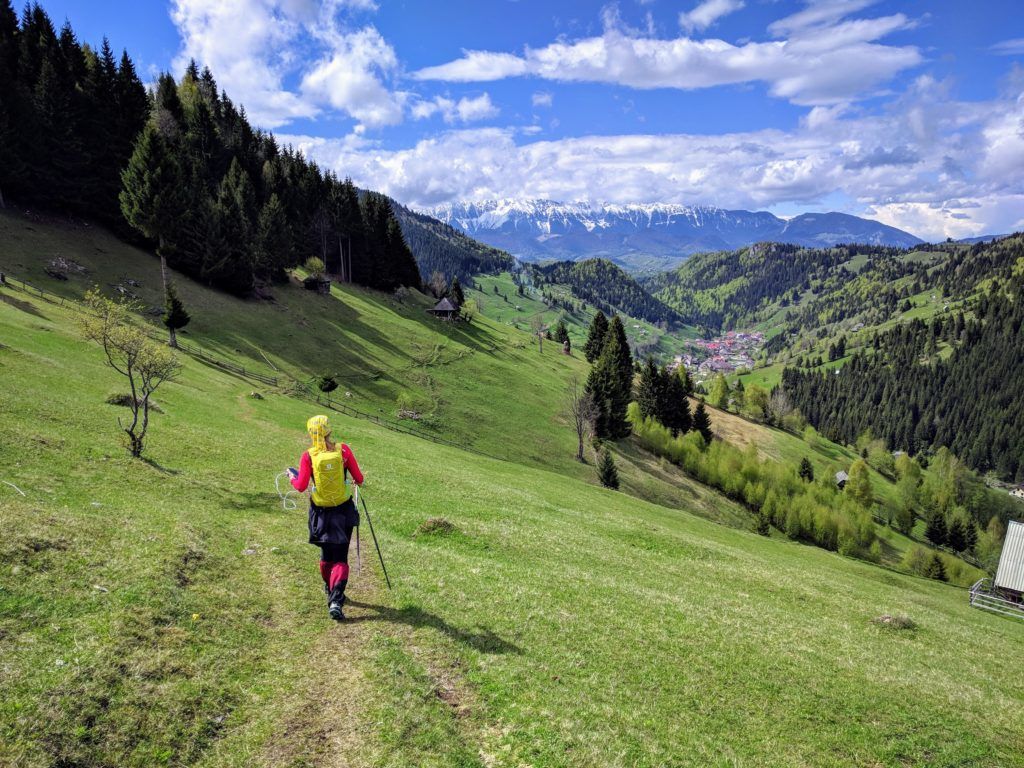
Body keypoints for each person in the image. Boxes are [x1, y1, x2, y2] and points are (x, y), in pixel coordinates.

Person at [288, 415, 364, 621]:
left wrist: (291, 477)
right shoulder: (344, 451)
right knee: (340, 556)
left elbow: (301, 486)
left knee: (326, 555)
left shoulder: (308, 456)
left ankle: (329, 588)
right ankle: (336, 600)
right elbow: (359, 479)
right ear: (329, 431)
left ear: (311, 434)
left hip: (320, 512)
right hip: (343, 511)